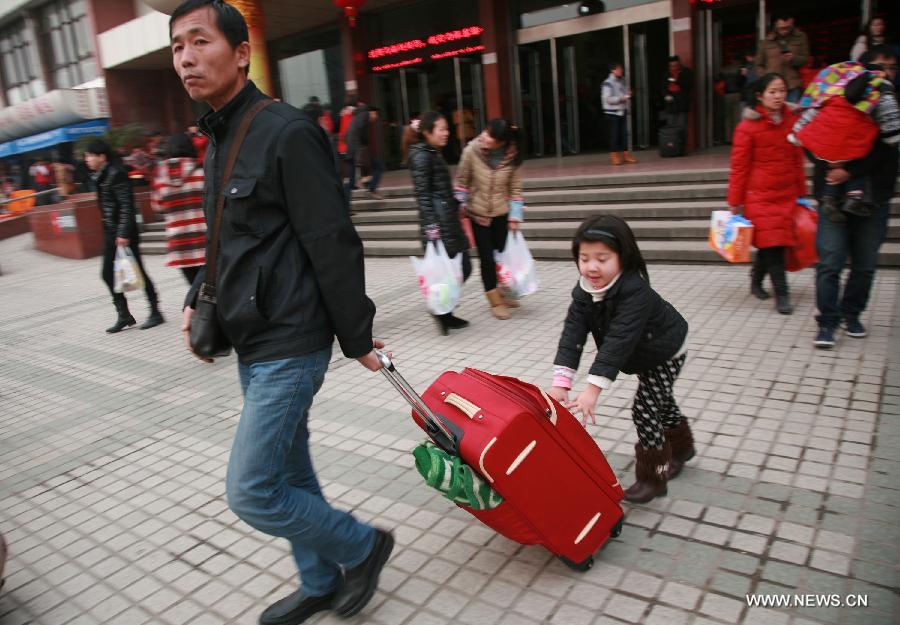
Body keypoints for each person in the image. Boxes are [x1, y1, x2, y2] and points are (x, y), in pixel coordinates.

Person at [169, 2, 394, 624]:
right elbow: (227, 242)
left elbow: (332, 241)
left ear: (241, 53)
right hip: (251, 335)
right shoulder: (218, 137)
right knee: (290, 473)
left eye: (199, 41)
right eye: (177, 46)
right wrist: (197, 301)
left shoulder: (287, 132)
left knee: (253, 490)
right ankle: (320, 581)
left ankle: (363, 545)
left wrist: (359, 336)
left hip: (292, 341)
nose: (186, 57)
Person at [547, 215, 691, 504]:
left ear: (622, 258)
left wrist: (592, 391)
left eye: (602, 258)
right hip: (642, 353)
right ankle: (683, 448)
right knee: (661, 402)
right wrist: (561, 382)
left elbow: (618, 341)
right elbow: (572, 336)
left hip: (666, 351)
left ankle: (655, 476)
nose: (591, 267)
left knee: (645, 410)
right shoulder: (584, 292)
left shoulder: (635, 293)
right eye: (584, 258)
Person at [813, 46, 900, 349]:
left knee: (864, 264)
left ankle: (851, 313)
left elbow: (890, 150)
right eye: (878, 66)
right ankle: (827, 320)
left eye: (891, 66)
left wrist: (850, 172)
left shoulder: (890, 103)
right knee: (831, 260)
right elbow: (815, 138)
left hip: (874, 197)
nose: (885, 72)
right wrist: (833, 167)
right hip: (831, 196)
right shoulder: (833, 97)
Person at [727, 73, 807, 315]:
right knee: (774, 244)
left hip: (786, 193)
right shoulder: (747, 127)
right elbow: (739, 167)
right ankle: (782, 294)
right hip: (759, 196)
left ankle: (756, 279)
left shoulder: (793, 121)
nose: (778, 96)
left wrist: (801, 193)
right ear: (760, 96)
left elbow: (797, 161)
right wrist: (735, 201)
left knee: (771, 243)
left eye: (782, 90)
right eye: (773, 91)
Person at [789, 62, 899, 222]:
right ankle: (854, 197)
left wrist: (796, 133)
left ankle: (829, 197)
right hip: (853, 149)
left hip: (823, 146)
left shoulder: (831, 92)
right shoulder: (879, 92)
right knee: (856, 152)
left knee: (836, 159)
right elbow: (892, 137)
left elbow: (810, 115)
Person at [84, 139, 165, 333]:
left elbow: (127, 206)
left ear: (101, 156)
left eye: (89, 155)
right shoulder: (101, 175)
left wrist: (123, 233)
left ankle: (155, 312)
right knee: (106, 273)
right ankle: (124, 314)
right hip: (111, 232)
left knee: (139, 272)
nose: (87, 159)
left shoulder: (116, 173)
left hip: (123, 233)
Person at [454, 118, 525, 320]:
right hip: (478, 215)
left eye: (491, 137)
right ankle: (494, 300)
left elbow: (516, 188)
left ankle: (502, 292)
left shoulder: (513, 156)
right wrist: (459, 209)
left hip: (502, 214)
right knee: (487, 258)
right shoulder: (471, 151)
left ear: (501, 142)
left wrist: (515, 215)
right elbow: (461, 183)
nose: (484, 137)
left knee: (502, 256)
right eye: (485, 132)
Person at [408, 111, 472, 335]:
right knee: (451, 271)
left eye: (447, 129)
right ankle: (441, 313)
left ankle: (446, 312)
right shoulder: (421, 157)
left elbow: (439, 191)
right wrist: (431, 227)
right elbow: (423, 195)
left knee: (459, 268)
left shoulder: (432, 153)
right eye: (442, 129)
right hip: (438, 225)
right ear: (427, 132)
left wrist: (457, 201)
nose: (447, 133)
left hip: (448, 219)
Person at [150, 133, 207, 285]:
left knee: (195, 291)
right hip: (204, 240)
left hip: (180, 244)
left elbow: (157, 205)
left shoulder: (160, 175)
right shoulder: (202, 171)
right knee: (212, 290)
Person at [754, 13, 809, 103]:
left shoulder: (800, 37)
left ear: (792, 23)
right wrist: (766, 78)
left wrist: (793, 58)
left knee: (791, 114)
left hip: (792, 85)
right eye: (782, 28)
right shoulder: (766, 41)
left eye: (787, 27)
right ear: (775, 25)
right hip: (772, 87)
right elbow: (758, 65)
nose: (785, 30)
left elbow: (805, 59)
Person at [602, 62, 637, 165]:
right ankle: (615, 156)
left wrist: (628, 94)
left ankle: (626, 155)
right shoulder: (608, 83)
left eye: (621, 69)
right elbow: (608, 99)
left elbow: (625, 92)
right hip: (612, 112)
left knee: (625, 134)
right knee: (614, 135)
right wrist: (622, 98)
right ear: (613, 70)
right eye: (618, 69)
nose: (621, 71)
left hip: (622, 111)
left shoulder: (622, 80)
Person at [660, 55, 694, 130]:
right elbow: (663, 87)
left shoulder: (686, 72)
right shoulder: (666, 74)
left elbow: (690, 84)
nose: (674, 68)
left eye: (675, 65)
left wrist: (677, 81)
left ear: (679, 64)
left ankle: (681, 141)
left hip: (682, 104)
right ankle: (673, 141)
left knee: (682, 127)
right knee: (671, 127)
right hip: (670, 105)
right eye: (671, 66)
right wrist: (666, 96)